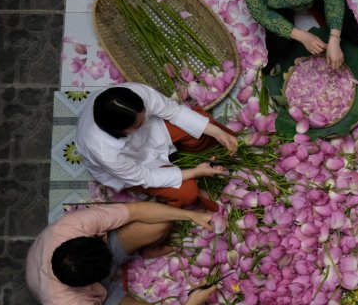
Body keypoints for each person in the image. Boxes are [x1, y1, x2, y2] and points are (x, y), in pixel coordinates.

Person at [26, 201, 217, 305]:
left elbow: (136, 210)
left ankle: (147, 249)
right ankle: (112, 276)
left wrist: (191, 215)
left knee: (160, 222)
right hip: (90, 289)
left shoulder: (74, 226)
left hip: (92, 256)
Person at [76, 84, 237, 211]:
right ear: (121, 131)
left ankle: (201, 148)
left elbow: (173, 112)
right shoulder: (105, 151)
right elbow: (147, 177)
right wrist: (196, 172)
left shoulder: (137, 94)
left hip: (152, 132)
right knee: (187, 193)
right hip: (135, 165)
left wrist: (216, 132)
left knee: (202, 127)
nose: (145, 121)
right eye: (139, 124)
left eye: (145, 115)